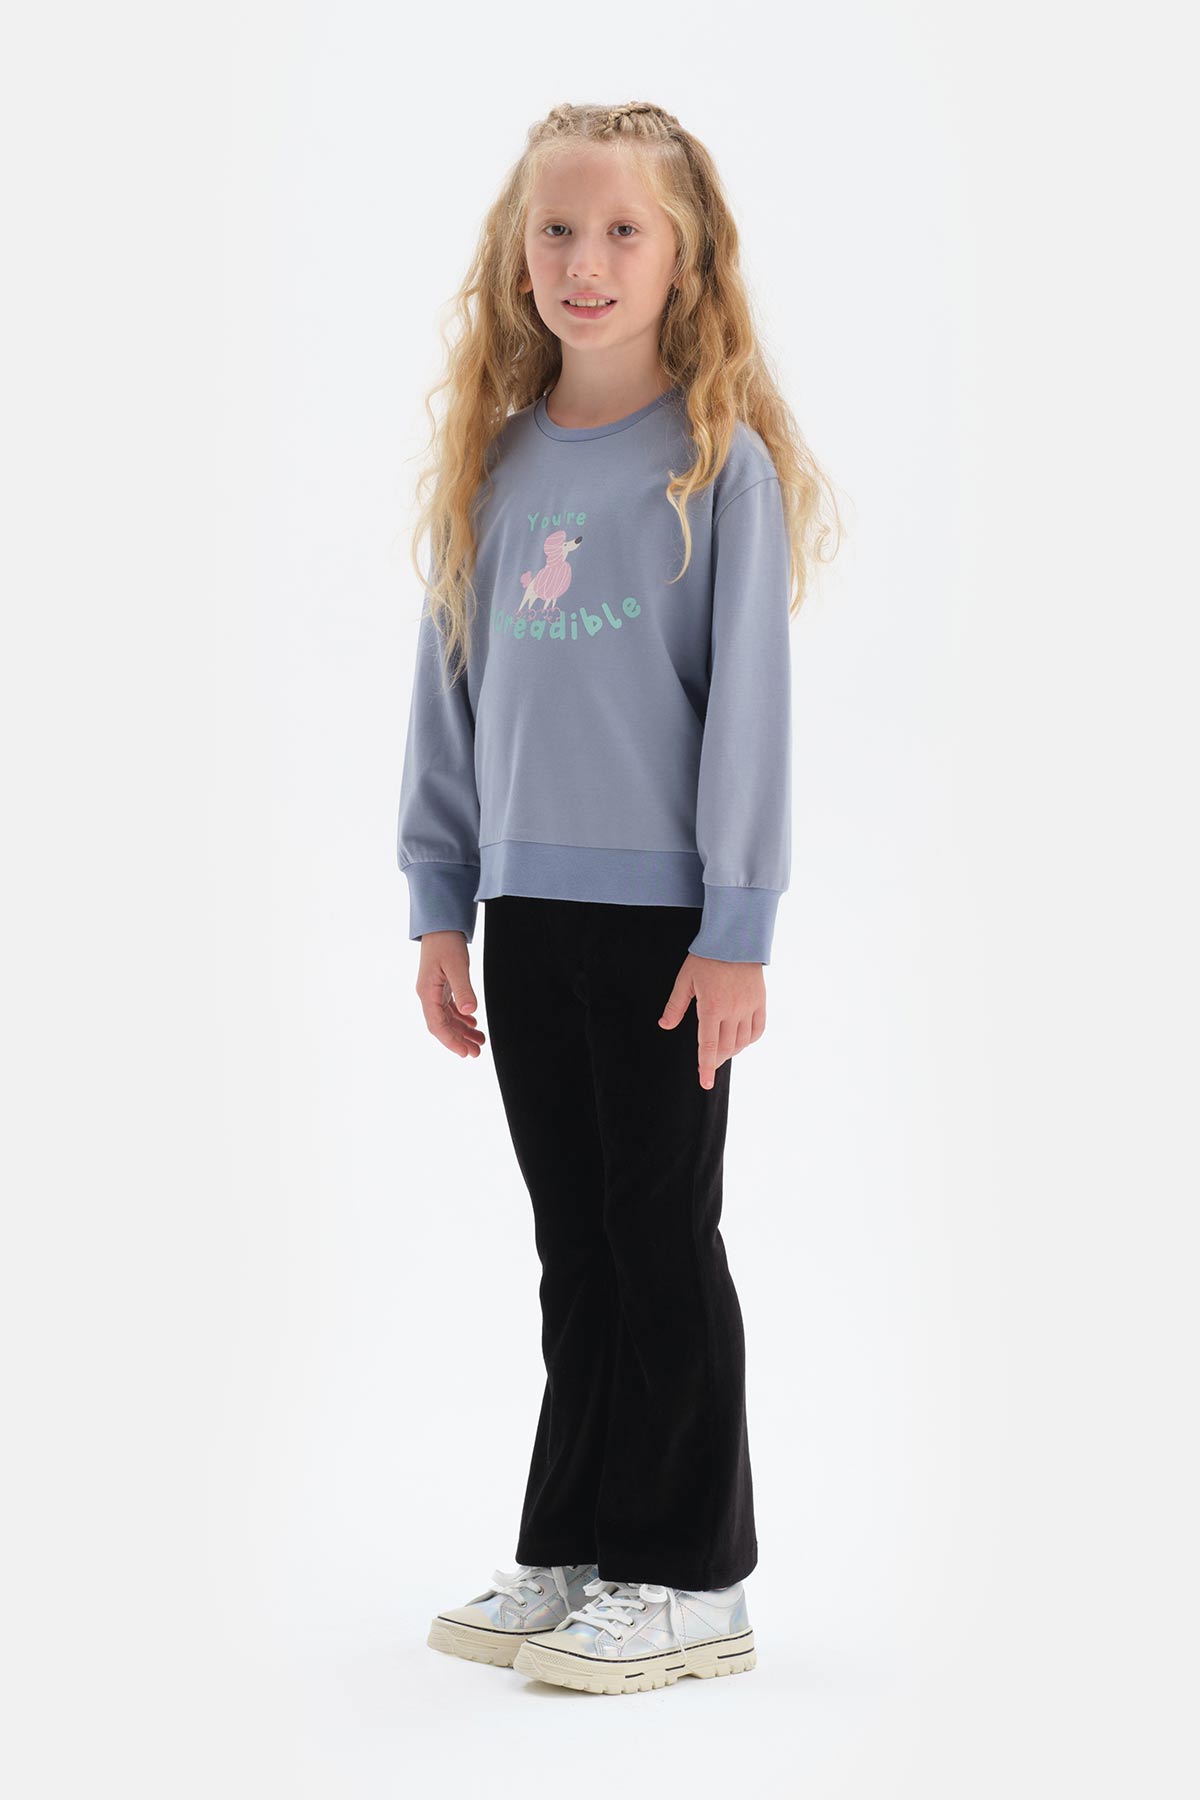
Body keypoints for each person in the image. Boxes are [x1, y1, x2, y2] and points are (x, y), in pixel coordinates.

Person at [396, 99, 842, 1697]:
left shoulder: (719, 469)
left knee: (662, 1237)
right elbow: (450, 693)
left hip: (666, 931)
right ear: (518, 255)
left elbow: (750, 717)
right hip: (527, 915)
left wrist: (739, 931)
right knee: (574, 1245)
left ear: (685, 258)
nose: (584, 261)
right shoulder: (496, 463)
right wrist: (439, 901)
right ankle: (579, 1540)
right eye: (557, 229)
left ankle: (692, 1578)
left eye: (622, 231)